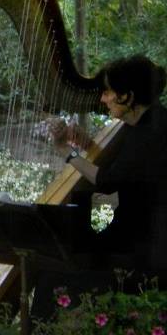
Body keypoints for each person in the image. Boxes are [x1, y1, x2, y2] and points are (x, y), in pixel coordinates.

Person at [32, 54, 167, 318]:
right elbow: (122, 172)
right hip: (138, 227)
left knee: (51, 271)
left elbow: (106, 181)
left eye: (107, 92)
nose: (102, 99)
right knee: (58, 251)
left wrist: (67, 152)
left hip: (147, 253)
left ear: (127, 97)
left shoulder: (148, 135)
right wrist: (87, 144)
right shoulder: (149, 121)